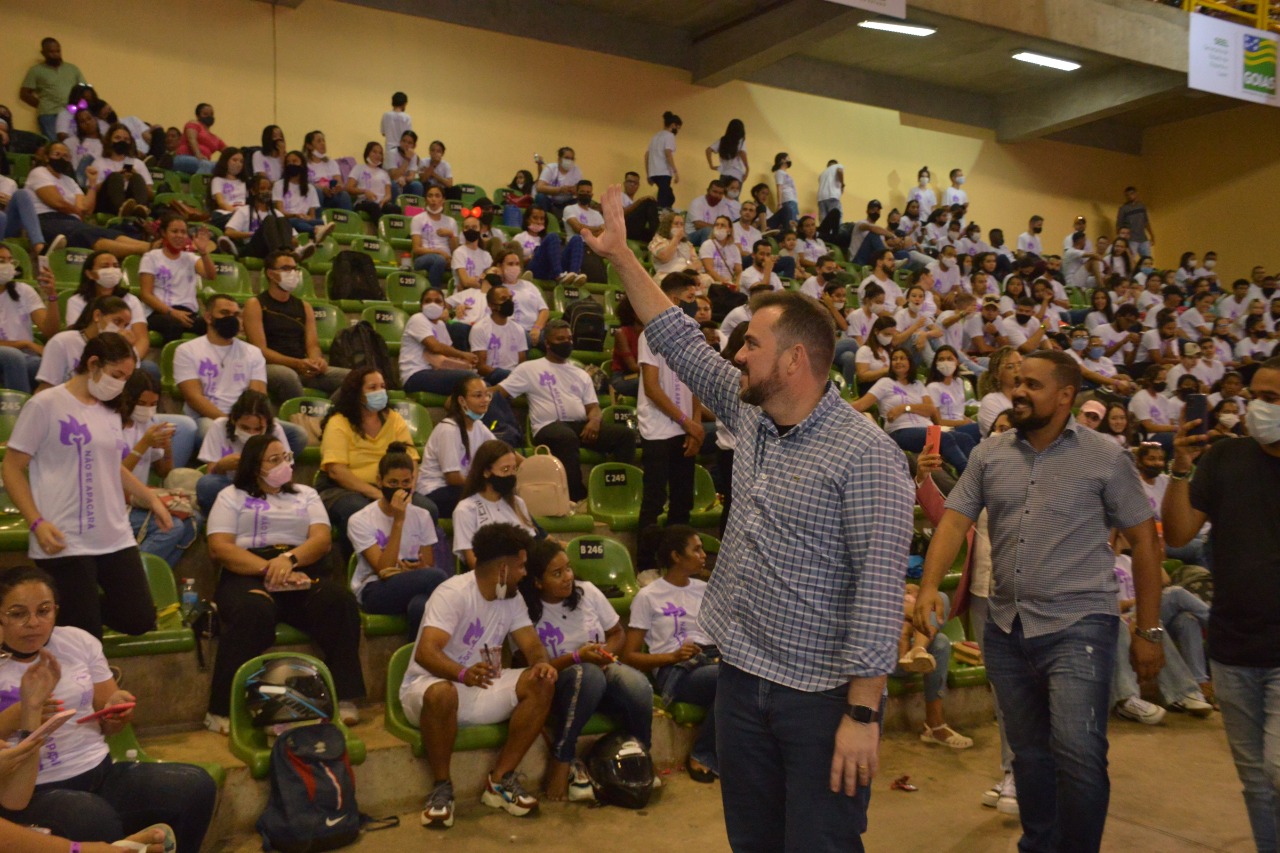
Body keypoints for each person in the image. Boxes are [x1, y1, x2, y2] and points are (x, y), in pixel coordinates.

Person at [586, 185, 913, 849]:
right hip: (741, 683)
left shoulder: (867, 456)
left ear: (796, 360)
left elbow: (879, 594)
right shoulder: (753, 417)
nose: (736, 354)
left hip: (818, 702)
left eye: (752, 344)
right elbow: (678, 339)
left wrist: (861, 710)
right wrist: (621, 255)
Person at [914, 349, 1164, 853]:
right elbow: (955, 520)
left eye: (1033, 384)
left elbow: (1145, 542)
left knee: (1079, 753)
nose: (1020, 391)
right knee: (1029, 756)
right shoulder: (989, 453)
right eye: (1017, 382)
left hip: (1080, 625)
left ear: (1067, 395)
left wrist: (1148, 631)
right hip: (1007, 629)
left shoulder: (1105, 457)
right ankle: (1040, 844)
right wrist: (926, 587)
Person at [0, 568, 216, 849]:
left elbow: (110, 717)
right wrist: (22, 713)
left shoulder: (77, 641)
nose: (34, 623)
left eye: (44, 611)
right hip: (34, 789)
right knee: (92, 818)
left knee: (195, 785)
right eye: (18, 614)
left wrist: (117, 711)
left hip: (99, 770)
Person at [1161, 355, 1280, 850]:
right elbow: (1179, 531)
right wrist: (1180, 469)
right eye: (1257, 396)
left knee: (1277, 766)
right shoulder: (1227, 458)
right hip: (1232, 646)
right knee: (1255, 780)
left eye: (1272, 399)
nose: (1260, 406)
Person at [2, 333, 168, 639]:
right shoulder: (45, 404)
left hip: (113, 534)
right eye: (117, 375)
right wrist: (36, 522)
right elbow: (11, 467)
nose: (120, 383)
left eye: (126, 377)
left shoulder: (110, 409)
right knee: (85, 634)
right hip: (64, 536)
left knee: (140, 618)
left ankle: (69, 614)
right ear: (93, 364)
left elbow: (110, 465)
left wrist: (150, 498)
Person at [204, 434, 364, 733]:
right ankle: (220, 709)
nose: (284, 465)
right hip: (248, 571)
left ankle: (344, 696)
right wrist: (270, 569)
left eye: (286, 458)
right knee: (253, 610)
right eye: (274, 460)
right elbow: (220, 547)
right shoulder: (231, 496)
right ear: (254, 467)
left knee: (337, 600)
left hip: (298, 567)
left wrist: (289, 561)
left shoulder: (305, 494)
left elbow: (321, 539)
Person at [400, 521, 557, 826]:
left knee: (542, 682)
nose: (525, 573)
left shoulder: (512, 598)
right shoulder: (452, 592)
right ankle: (442, 788)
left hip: (482, 686)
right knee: (442, 693)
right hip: (431, 687)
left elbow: (532, 644)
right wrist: (462, 674)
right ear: (502, 568)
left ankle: (499, 781)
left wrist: (542, 663)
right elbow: (426, 652)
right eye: (521, 566)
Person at [519, 538, 654, 800]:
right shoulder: (524, 610)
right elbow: (533, 667)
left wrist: (605, 654)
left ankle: (641, 757)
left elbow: (617, 633)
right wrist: (578, 658)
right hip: (558, 683)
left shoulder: (588, 591)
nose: (568, 577)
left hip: (600, 670)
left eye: (568, 569)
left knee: (638, 686)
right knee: (587, 675)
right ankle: (562, 757)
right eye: (557, 574)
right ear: (537, 582)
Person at [621, 524, 723, 780]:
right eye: (696, 549)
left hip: (711, 658)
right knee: (730, 680)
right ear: (676, 556)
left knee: (739, 680)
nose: (703, 555)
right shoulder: (648, 596)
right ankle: (702, 754)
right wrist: (673, 657)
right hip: (676, 668)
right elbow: (629, 656)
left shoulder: (703, 589)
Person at [498, 320, 636, 502]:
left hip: (580, 426)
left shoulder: (580, 373)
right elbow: (499, 393)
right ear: (547, 343)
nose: (567, 342)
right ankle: (575, 497)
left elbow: (593, 407)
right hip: (548, 427)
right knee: (566, 437)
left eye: (569, 338)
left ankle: (619, 493)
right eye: (560, 339)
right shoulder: (529, 368)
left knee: (625, 435)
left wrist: (594, 421)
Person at [317, 367, 434, 539]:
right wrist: (378, 495)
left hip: (392, 485)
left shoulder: (393, 419)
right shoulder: (339, 422)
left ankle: (412, 560)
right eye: (372, 388)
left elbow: (411, 461)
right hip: (345, 489)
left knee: (427, 509)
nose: (379, 392)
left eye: (382, 386)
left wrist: (408, 491)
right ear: (356, 393)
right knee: (357, 511)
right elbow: (336, 471)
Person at [348, 442, 448, 638]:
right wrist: (398, 520)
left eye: (406, 483)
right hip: (375, 589)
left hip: (412, 583)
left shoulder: (422, 515)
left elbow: (427, 564)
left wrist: (418, 568)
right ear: (379, 481)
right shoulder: (360, 519)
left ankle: (418, 665)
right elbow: (384, 570)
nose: (400, 489)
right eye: (393, 483)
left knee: (420, 605)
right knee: (438, 578)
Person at [637, 274, 703, 565]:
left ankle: (678, 566)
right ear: (675, 299)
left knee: (682, 503)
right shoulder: (649, 334)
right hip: (657, 429)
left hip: (685, 428)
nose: (696, 304)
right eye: (691, 298)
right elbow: (652, 388)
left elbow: (696, 382)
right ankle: (647, 565)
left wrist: (696, 426)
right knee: (653, 502)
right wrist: (685, 421)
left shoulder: (693, 333)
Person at [243, 249, 349, 403]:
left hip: (302, 367)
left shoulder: (304, 306)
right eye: (286, 268)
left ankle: (327, 416)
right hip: (270, 367)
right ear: (271, 274)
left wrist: (316, 361)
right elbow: (260, 350)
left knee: (355, 379)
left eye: (295, 269)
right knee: (287, 375)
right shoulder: (255, 304)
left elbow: (312, 344)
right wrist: (296, 363)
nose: (292, 273)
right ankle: (300, 416)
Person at [117, 371, 197, 569]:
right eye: (142, 404)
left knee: (193, 522)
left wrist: (167, 445)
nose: (148, 410)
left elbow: (163, 471)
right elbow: (114, 476)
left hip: (139, 500)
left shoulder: (147, 424)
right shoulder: (111, 426)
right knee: (171, 527)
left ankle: (155, 579)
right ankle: (133, 575)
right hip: (114, 503)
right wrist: (144, 444)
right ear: (128, 399)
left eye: (153, 404)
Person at [852, 347, 974, 473]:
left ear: (910, 362)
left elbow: (930, 409)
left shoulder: (917, 385)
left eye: (902, 358)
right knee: (944, 438)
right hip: (901, 431)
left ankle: (980, 473)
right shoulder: (885, 383)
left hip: (926, 428)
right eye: (894, 359)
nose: (898, 361)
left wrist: (904, 408)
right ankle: (968, 475)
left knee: (964, 437)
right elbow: (861, 405)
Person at [24, 144, 152, 259]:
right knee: (85, 234)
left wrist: (92, 182)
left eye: (66, 156)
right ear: (47, 157)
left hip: (72, 221)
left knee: (108, 232)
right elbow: (57, 203)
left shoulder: (69, 181)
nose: (62, 158)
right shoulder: (39, 173)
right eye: (57, 154)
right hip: (46, 220)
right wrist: (77, 210)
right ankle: (147, 249)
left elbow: (87, 209)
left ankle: (151, 246)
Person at [194, 388, 290, 516]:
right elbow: (211, 474)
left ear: (267, 424)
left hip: (264, 488)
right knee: (207, 484)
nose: (251, 433)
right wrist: (221, 466)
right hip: (231, 488)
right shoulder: (219, 426)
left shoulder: (276, 430)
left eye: (258, 429)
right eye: (245, 427)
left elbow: (286, 475)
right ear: (233, 419)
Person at [452, 440, 538, 570]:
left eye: (514, 469)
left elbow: (531, 549)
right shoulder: (465, 510)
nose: (510, 475)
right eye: (505, 469)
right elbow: (473, 562)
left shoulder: (518, 504)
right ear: (486, 472)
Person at [138, 213, 216, 344]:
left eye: (183, 232)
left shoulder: (191, 258)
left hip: (188, 313)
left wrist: (203, 252)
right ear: (163, 232)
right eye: (174, 231)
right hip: (160, 312)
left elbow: (211, 275)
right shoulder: (151, 257)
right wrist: (172, 312)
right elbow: (146, 295)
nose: (180, 236)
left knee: (214, 324)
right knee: (173, 324)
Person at [35, 296, 134, 392]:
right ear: (97, 316)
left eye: (125, 325)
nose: (121, 329)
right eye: (117, 321)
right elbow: (46, 388)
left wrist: (126, 350)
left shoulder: (117, 350)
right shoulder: (62, 341)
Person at [400, 287, 481, 394]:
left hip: (436, 372)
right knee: (470, 380)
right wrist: (463, 355)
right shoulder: (417, 319)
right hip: (415, 375)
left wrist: (468, 362)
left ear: (444, 306)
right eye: (428, 301)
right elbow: (435, 347)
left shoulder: (441, 325)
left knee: (482, 384)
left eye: (437, 301)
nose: (432, 304)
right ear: (421, 306)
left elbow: (450, 353)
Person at [0, 244, 58, 393]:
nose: (7, 266)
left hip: (25, 359)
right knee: (12, 356)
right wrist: (26, 344)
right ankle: (22, 412)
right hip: (13, 355)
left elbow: (49, 331)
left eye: (10, 261)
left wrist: (51, 295)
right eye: (1, 261)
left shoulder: (23, 291)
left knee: (51, 366)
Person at [20, 38, 86, 141]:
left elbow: (84, 90)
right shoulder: (36, 70)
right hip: (49, 115)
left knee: (73, 144)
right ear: (43, 53)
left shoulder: (72, 69)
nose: (55, 54)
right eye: (51, 52)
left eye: (58, 51)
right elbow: (24, 94)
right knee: (55, 145)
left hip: (71, 113)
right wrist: (42, 104)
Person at [469, 285, 526, 384]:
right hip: (491, 376)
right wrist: (510, 377)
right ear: (491, 305)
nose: (509, 302)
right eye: (503, 299)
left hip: (515, 377)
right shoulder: (480, 328)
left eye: (510, 298)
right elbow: (481, 367)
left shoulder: (519, 329)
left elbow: (522, 363)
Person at [410, 186, 457, 288]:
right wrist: (439, 253)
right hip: (423, 259)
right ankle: (434, 292)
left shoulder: (451, 221)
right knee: (439, 260)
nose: (433, 199)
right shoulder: (418, 219)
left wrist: (450, 234)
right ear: (426, 199)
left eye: (437, 196)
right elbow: (416, 249)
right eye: (430, 196)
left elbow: (455, 250)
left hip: (447, 259)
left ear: (443, 200)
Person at [347, 142, 401, 221]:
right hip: (363, 202)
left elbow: (388, 194)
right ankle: (383, 230)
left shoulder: (384, 173)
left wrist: (384, 200)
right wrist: (364, 191)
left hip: (380, 203)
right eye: (374, 152)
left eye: (380, 153)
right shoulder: (358, 168)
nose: (377, 155)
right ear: (367, 153)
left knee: (395, 209)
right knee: (374, 207)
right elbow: (349, 188)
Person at [272, 150, 323, 234]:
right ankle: (315, 231)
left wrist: (307, 218)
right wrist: (295, 215)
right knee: (296, 222)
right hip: (287, 220)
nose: (291, 164)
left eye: (294, 161)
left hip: (304, 220)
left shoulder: (310, 188)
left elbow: (312, 216)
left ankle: (317, 230)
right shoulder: (278, 185)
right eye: (288, 162)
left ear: (302, 164)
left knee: (321, 222)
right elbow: (280, 211)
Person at [976, 346, 1021, 436]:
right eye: (1010, 367)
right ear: (997, 374)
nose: (1018, 370)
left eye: (1020, 364)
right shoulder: (991, 401)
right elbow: (1002, 436)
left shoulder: (1028, 397)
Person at [303, 130, 351, 212]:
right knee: (317, 192)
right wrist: (321, 188)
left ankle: (349, 222)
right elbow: (303, 184)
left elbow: (339, 182)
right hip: (312, 195)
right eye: (319, 141)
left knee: (344, 195)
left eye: (323, 140)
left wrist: (337, 187)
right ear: (309, 146)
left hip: (330, 195)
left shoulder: (331, 163)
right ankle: (318, 221)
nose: (323, 143)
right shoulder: (304, 164)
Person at [173, 103, 223, 175]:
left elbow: (229, 151)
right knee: (205, 164)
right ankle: (197, 186)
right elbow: (192, 139)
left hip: (204, 162)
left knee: (222, 168)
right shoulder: (193, 124)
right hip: (184, 158)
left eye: (211, 114)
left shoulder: (216, 139)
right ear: (198, 116)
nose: (209, 117)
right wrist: (198, 154)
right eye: (205, 114)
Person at [645, 111, 681, 208]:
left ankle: (661, 211)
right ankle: (660, 215)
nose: (677, 131)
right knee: (666, 199)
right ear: (673, 125)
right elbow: (668, 153)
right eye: (677, 128)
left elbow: (647, 155)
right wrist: (675, 171)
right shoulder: (669, 136)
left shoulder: (655, 137)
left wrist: (648, 174)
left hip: (654, 172)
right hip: (664, 172)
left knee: (667, 196)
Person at [534, 146, 582, 218]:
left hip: (568, 202)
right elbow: (539, 187)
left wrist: (575, 190)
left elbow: (580, 189)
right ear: (559, 159)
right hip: (550, 202)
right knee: (540, 197)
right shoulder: (550, 168)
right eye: (567, 158)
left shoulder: (576, 170)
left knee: (580, 200)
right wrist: (559, 190)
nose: (570, 161)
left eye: (572, 159)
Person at [705, 119, 747, 185]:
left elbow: (708, 150)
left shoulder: (723, 140)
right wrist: (747, 169)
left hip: (724, 173)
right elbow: (742, 152)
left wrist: (711, 165)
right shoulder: (741, 140)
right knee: (733, 194)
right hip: (737, 174)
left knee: (722, 194)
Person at [1116, 186, 1154, 258]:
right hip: (1131, 239)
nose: (1130, 196)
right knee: (1130, 259)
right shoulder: (1123, 209)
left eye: (1132, 193)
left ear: (1136, 194)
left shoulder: (1142, 206)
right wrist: (1121, 240)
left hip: (1143, 238)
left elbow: (1146, 222)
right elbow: (1119, 225)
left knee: (1147, 259)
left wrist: (1152, 236)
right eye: (1127, 195)